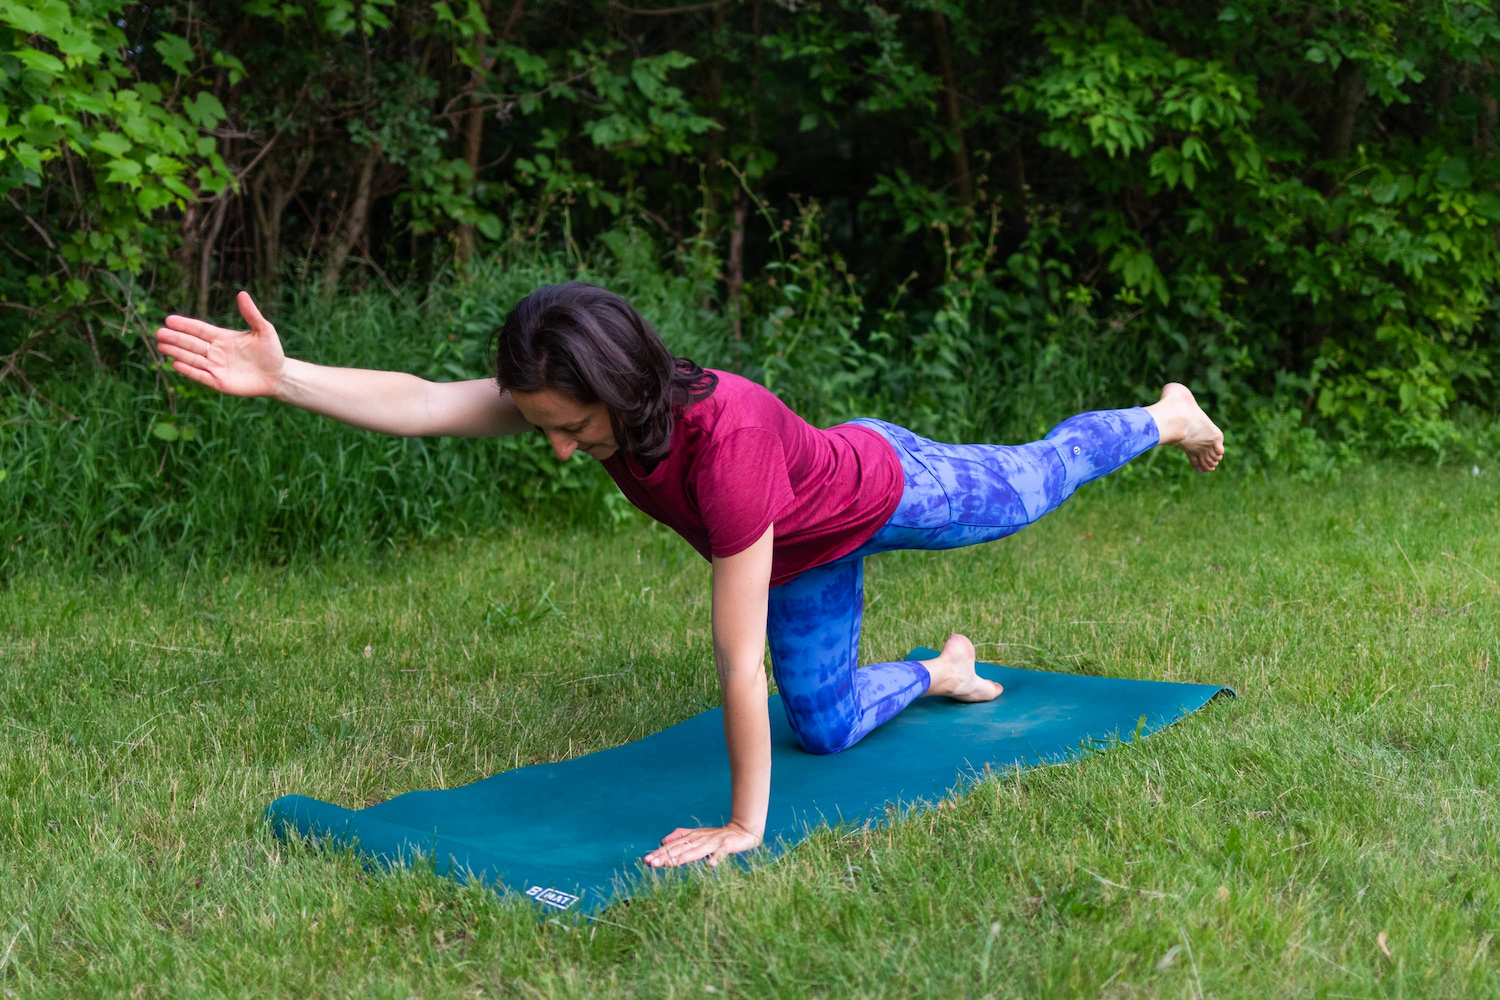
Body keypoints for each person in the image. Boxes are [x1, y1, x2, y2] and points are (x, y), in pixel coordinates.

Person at [155, 282, 1224, 870]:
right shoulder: (579, 397)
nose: (559, 450)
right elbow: (430, 402)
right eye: (541, 426)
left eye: (571, 429)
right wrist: (286, 378)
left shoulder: (729, 447)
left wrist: (746, 826)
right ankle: (940, 672)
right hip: (808, 553)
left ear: (621, 390)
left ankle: (1164, 414)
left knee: (1038, 479)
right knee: (826, 729)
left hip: (889, 485)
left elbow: (735, 657)